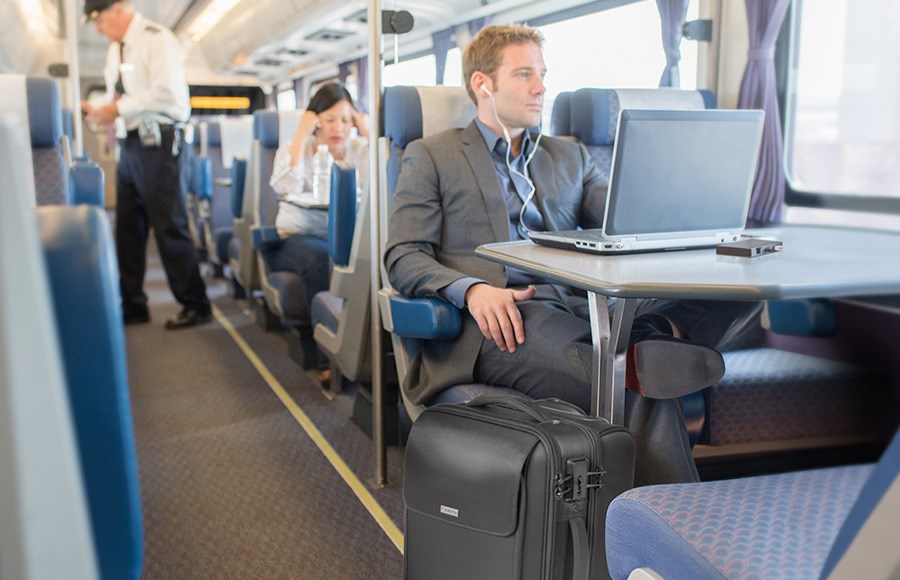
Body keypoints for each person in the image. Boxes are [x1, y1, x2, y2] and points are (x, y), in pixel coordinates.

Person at [384, 25, 761, 486]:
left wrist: (692, 199)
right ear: (483, 84)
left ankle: (653, 334)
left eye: (542, 74)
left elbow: (627, 219)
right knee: (634, 382)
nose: (541, 86)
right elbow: (403, 255)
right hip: (505, 321)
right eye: (524, 74)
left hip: (587, 310)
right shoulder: (432, 155)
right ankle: (675, 534)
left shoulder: (569, 155)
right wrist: (473, 291)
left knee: (746, 290)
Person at [81, 0, 211, 330]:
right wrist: (97, 109)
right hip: (132, 143)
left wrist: (118, 109)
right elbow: (121, 99)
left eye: (98, 19)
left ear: (119, 8)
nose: (97, 29)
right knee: (128, 227)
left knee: (169, 225)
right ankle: (133, 304)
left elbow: (165, 94)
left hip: (163, 142)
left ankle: (195, 304)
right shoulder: (116, 51)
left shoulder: (157, 39)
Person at [266, 84, 369, 320]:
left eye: (345, 120)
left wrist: (368, 132)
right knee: (321, 258)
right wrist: (302, 133)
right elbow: (286, 186)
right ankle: (323, 340)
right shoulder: (294, 149)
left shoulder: (360, 150)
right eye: (330, 119)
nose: (338, 128)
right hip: (299, 236)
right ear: (315, 119)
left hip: (349, 238)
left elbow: (382, 184)